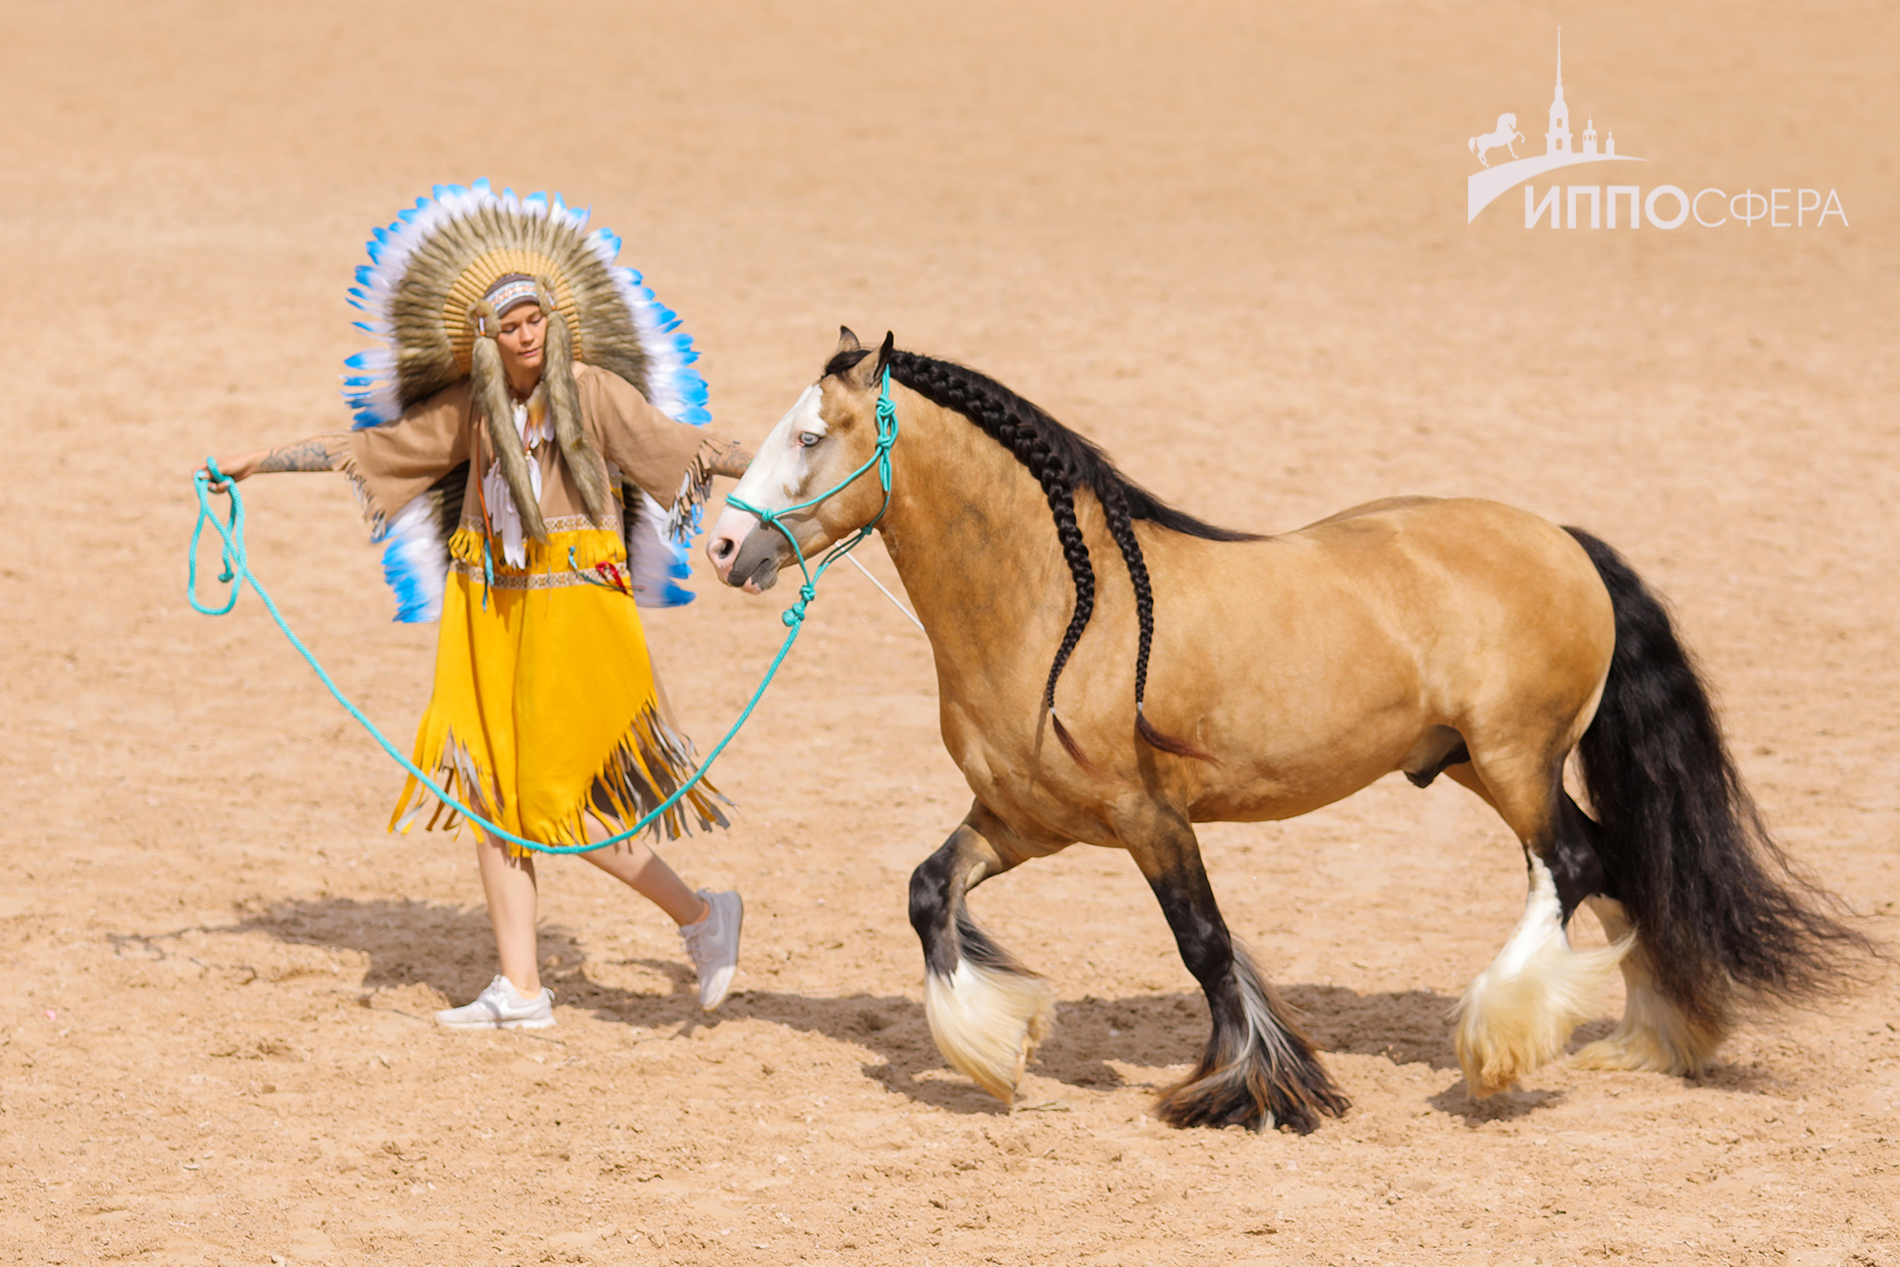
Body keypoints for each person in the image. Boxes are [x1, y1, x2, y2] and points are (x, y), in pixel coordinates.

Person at [202, 184, 751, 1028]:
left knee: (569, 799)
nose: (525, 335)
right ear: (486, 336)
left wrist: (802, 472)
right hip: (489, 610)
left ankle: (703, 914)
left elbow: (686, 453)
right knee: (491, 796)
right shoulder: (471, 412)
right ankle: (523, 990)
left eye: (534, 319)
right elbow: (374, 450)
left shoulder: (596, 393)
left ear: (552, 321)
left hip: (583, 613)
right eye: (509, 325)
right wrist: (260, 462)